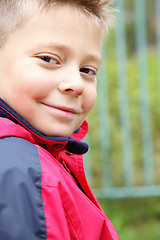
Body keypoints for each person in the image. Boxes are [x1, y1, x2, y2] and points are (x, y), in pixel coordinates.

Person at [0, 0, 119, 239]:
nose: (75, 84)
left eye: (88, 70)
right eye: (49, 59)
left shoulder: (42, 158)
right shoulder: (23, 171)